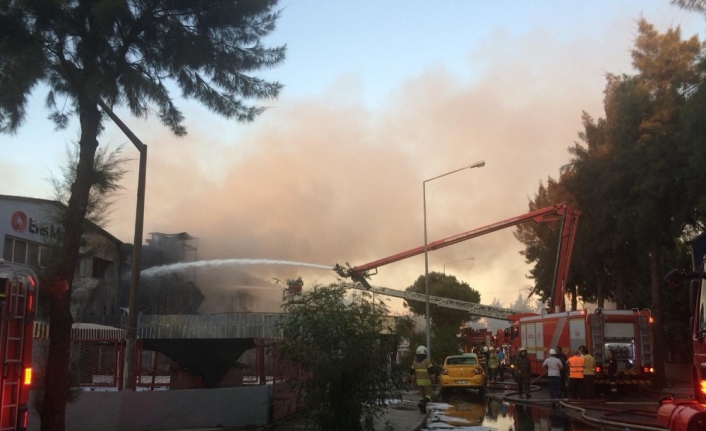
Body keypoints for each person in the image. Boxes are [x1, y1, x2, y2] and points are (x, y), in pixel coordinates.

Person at [411, 345, 435, 413]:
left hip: (419, 382)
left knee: (421, 395)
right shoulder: (427, 361)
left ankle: (423, 410)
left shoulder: (414, 362)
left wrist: (413, 382)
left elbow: (412, 373)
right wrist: (433, 381)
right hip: (427, 382)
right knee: (429, 395)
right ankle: (423, 403)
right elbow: (432, 372)